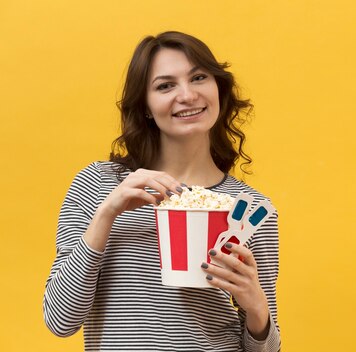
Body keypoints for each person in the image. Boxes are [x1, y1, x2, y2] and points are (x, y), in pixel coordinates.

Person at [43, 31, 281, 352]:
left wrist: (256, 308)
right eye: (165, 85)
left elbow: (265, 347)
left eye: (198, 78)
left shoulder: (249, 208)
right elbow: (60, 321)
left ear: (218, 90)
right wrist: (108, 212)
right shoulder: (98, 185)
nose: (187, 95)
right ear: (145, 106)